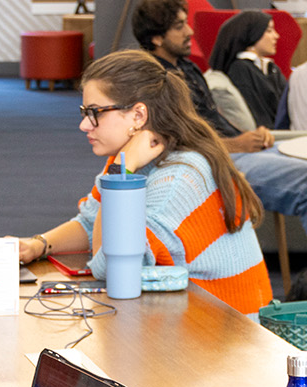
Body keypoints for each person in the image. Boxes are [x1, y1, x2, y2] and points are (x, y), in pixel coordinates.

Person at [15, 50, 273, 313]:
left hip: (227, 336)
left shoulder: (178, 178)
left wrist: (118, 173)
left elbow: (109, 266)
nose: (84, 125)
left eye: (95, 112)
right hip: (188, 314)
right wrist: (39, 244)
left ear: (138, 115)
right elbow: (90, 222)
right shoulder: (132, 160)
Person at [131, 0, 307, 265]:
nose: (189, 31)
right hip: (215, 162)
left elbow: (212, 122)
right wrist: (236, 144)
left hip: (234, 149)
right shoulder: (152, 82)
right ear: (156, 38)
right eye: (179, 26)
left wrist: (249, 136)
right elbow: (174, 143)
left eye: (186, 22)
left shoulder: (188, 69)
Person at [208, 9, 286, 130]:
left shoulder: (271, 68)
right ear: (253, 34)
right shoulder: (240, 69)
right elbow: (259, 118)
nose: (276, 36)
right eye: (269, 31)